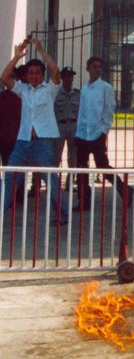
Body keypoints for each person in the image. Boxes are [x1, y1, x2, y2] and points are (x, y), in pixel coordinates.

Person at [0, 39, 67, 223]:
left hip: (42, 142)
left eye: (37, 73)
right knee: (10, 178)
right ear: (26, 75)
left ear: (42, 75)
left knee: (50, 180)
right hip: (22, 141)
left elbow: (56, 71)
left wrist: (41, 51)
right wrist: (17, 57)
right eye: (30, 73)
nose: (34, 76)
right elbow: (4, 78)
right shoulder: (23, 90)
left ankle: (62, 214)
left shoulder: (50, 89)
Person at [75, 56, 132, 211]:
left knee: (103, 166)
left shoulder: (106, 88)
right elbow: (81, 112)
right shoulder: (84, 88)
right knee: (81, 169)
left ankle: (126, 190)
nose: (97, 69)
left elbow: (109, 111)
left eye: (100, 66)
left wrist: (103, 132)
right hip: (83, 134)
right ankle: (84, 201)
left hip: (97, 134)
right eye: (94, 66)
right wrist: (78, 132)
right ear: (88, 69)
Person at [53, 67, 80, 182]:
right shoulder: (56, 93)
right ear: (62, 78)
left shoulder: (78, 94)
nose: (69, 79)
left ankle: (70, 181)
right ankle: (54, 181)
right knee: (56, 154)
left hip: (73, 125)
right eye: (66, 76)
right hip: (59, 126)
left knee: (73, 155)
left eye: (70, 76)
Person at [0, 65, 24, 165]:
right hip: (4, 138)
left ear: (17, 78)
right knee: (6, 165)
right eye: (9, 76)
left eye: (13, 76)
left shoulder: (24, 95)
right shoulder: (1, 96)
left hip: (20, 138)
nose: (11, 79)